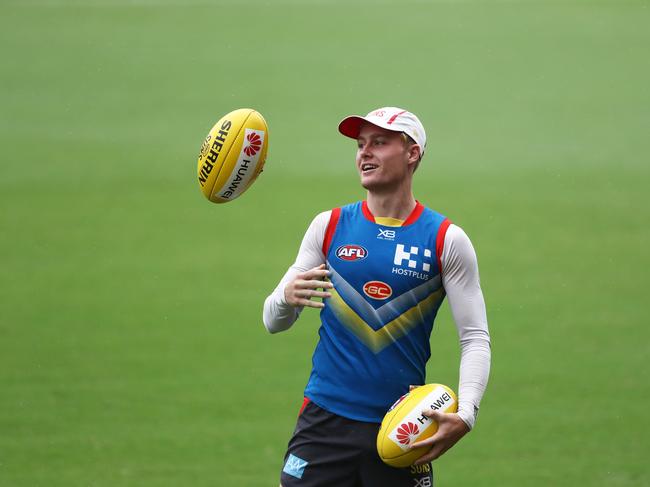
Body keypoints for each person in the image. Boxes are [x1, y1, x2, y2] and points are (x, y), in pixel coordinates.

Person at [263, 107, 491, 487]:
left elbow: (475, 338)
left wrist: (466, 413)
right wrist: (286, 297)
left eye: (380, 143)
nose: (364, 153)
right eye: (360, 144)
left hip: (402, 430)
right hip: (324, 423)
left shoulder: (445, 239)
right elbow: (272, 321)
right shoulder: (330, 226)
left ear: (412, 153)